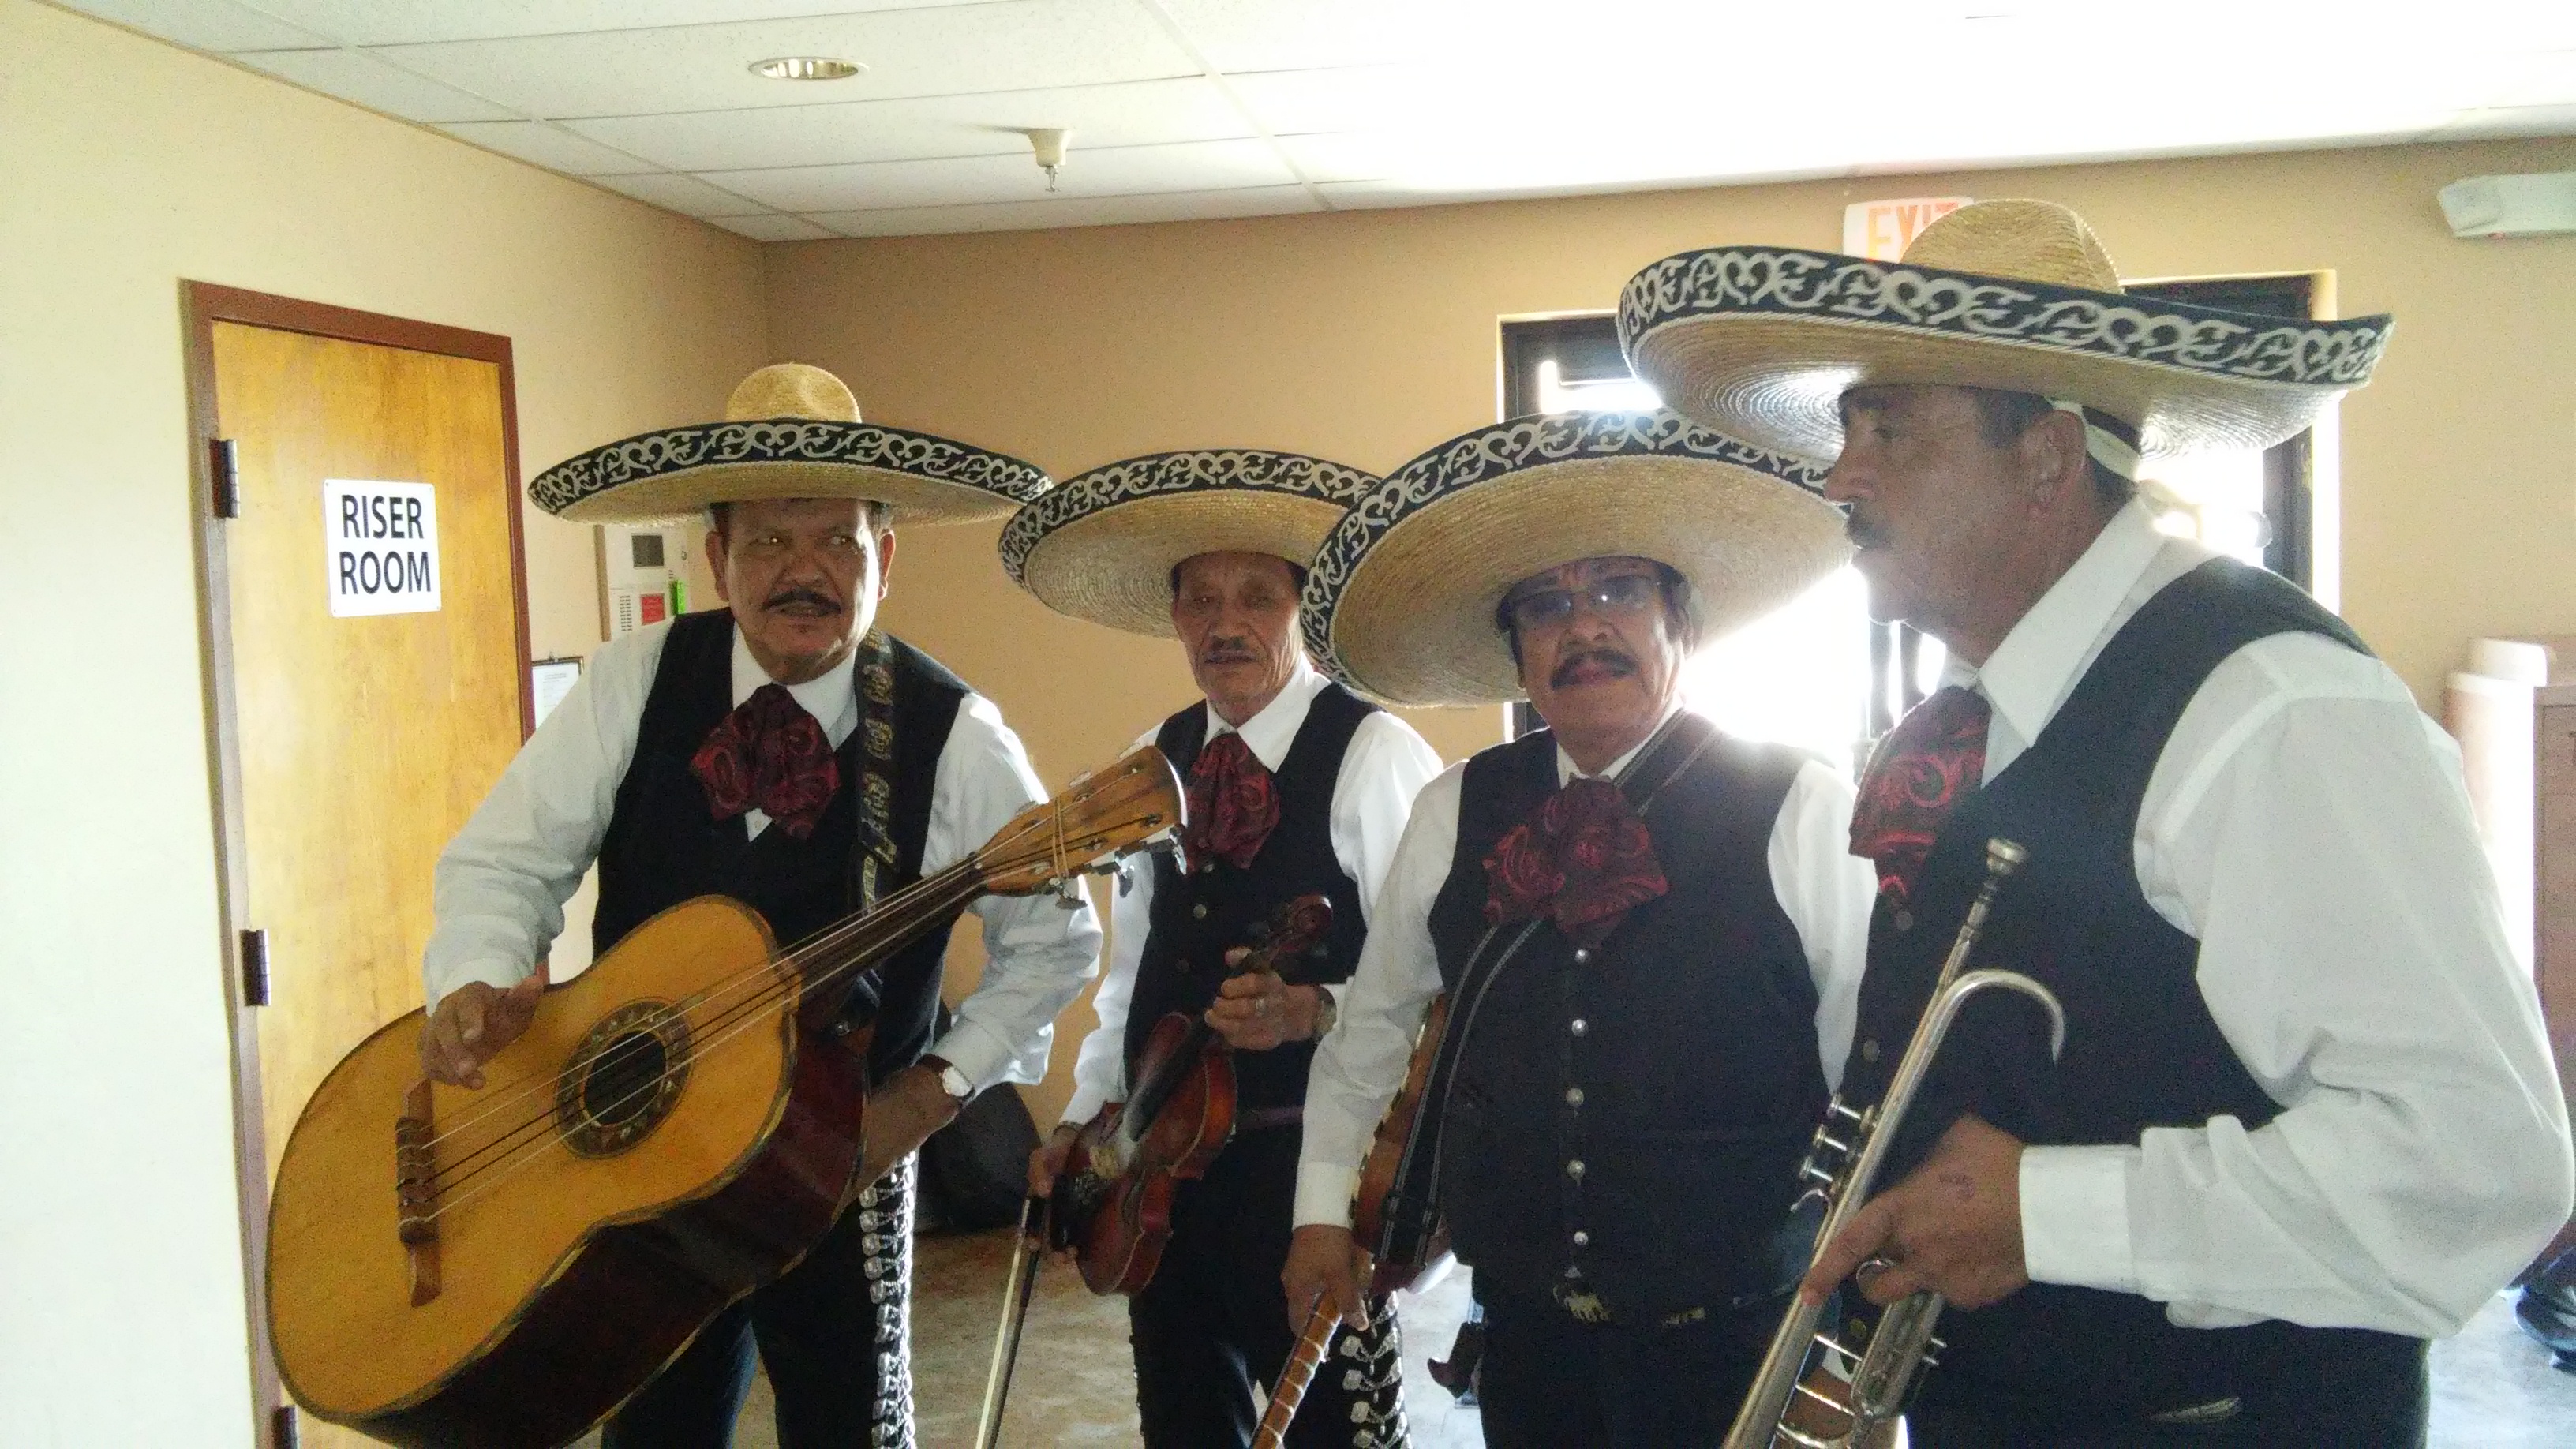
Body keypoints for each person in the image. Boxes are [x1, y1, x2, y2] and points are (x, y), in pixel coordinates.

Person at [1621, 197, 2574, 1443]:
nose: (1842, 475)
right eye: (1849, 428)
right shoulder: (1995, 704)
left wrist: (2044, 1214)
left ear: (2048, 459)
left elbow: (2474, 1168)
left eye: (1891, 431)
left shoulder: (2274, 711)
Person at [417, 364, 1103, 1449]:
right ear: (715, 559)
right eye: (770, 543)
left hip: (840, 1168)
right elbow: (502, 864)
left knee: (848, 1432)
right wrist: (477, 975)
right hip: (637, 1157)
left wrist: (931, 1095)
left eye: (835, 539)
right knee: (655, 1433)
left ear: (886, 555)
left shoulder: (953, 733)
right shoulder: (633, 682)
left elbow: (1056, 939)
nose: (804, 571)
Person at [1280, 410, 1878, 1447]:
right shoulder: (1455, 810)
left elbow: (1867, 1085)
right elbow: (1368, 1035)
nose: (1583, 628)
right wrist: (1320, 1214)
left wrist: (1855, 1334)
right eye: (1547, 607)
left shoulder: (1801, 803)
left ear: (1680, 627)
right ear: (1518, 660)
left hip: (1740, 1346)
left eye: (1618, 591)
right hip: (1527, 1346)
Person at [1001, 449, 1444, 1447]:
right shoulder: (1152, 760)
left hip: (1313, 1178)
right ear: (1174, 621)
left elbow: (1439, 980)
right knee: (1184, 1422)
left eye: (1256, 596)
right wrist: (1084, 1118)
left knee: (1338, 1430)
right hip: (1167, 1176)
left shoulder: (1375, 754)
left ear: (1303, 609)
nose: (1225, 624)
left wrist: (1314, 1009)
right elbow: (1131, 973)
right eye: (1200, 601)